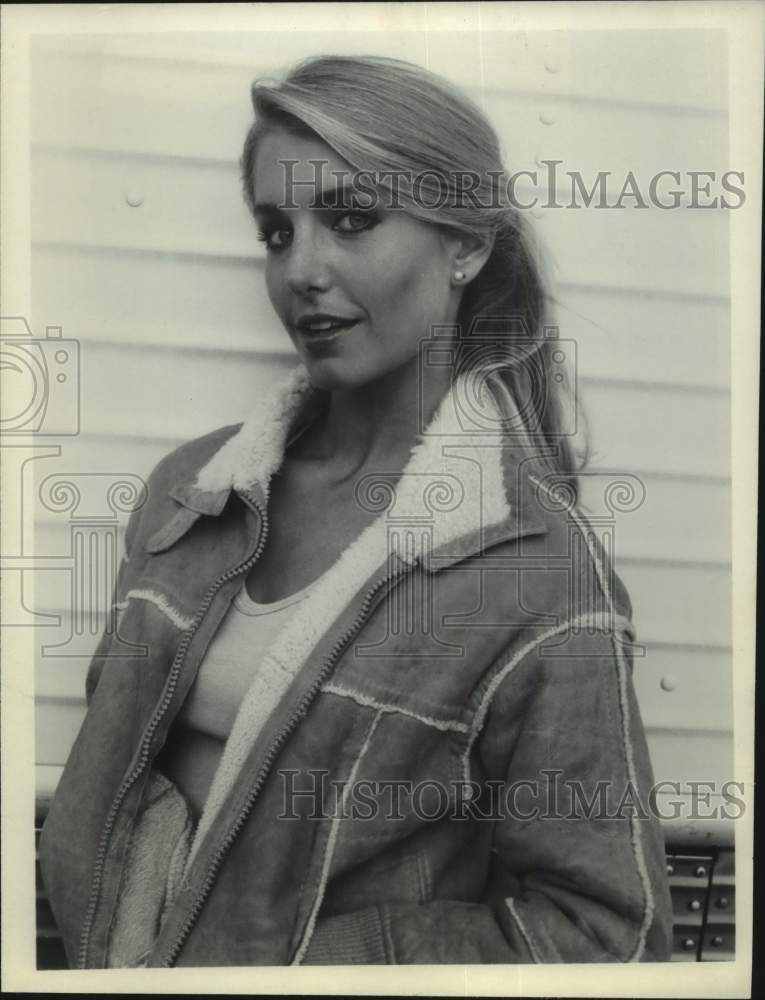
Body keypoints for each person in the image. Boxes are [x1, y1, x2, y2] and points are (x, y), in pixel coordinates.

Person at [38, 54, 673, 968]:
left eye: (350, 219)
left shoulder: (540, 577)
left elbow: (610, 932)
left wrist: (318, 965)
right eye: (274, 231)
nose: (301, 270)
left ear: (465, 245)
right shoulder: (192, 492)